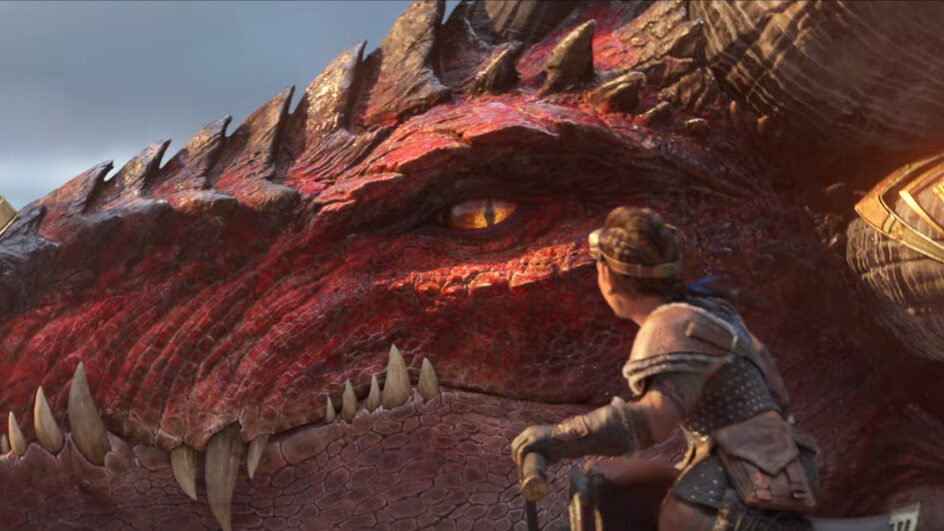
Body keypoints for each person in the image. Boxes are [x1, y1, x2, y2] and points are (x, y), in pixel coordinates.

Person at [511, 206, 819, 530]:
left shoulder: (671, 325)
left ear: (608, 278)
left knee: (671, 513)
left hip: (745, 490)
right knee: (609, 482)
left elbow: (652, 420)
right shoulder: (712, 310)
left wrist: (559, 438)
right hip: (768, 469)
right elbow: (777, 396)